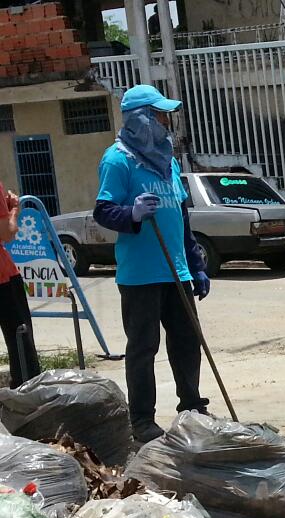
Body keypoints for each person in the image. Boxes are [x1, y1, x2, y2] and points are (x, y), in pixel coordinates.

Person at [94, 84, 210, 444]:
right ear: (140, 119)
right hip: (141, 276)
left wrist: (196, 262)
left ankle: (191, 406)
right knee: (143, 348)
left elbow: (181, 214)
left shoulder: (168, 161)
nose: (165, 122)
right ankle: (142, 419)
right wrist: (132, 213)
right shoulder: (117, 160)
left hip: (176, 270)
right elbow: (103, 210)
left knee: (187, 342)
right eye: (159, 115)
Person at [0, 183, 39, 388]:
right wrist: (13, 209)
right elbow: (6, 233)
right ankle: (27, 401)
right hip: (3, 277)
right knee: (21, 346)